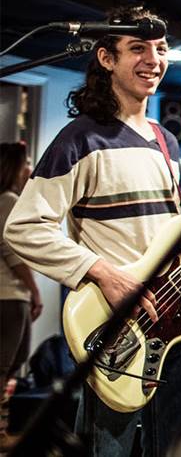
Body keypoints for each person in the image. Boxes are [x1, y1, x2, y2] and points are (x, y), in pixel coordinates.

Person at [3, 5, 181, 457]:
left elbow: (178, 231)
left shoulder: (166, 141)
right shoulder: (81, 139)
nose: (154, 59)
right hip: (118, 330)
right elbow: (24, 226)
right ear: (107, 59)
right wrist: (104, 273)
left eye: (161, 49)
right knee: (113, 447)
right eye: (138, 48)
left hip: (177, 325)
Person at [0, 142, 42, 449]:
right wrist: (34, 289)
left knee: (14, 361)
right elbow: (13, 254)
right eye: (25, 163)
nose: (29, 169)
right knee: (4, 364)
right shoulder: (8, 200)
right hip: (9, 295)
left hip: (12, 295)